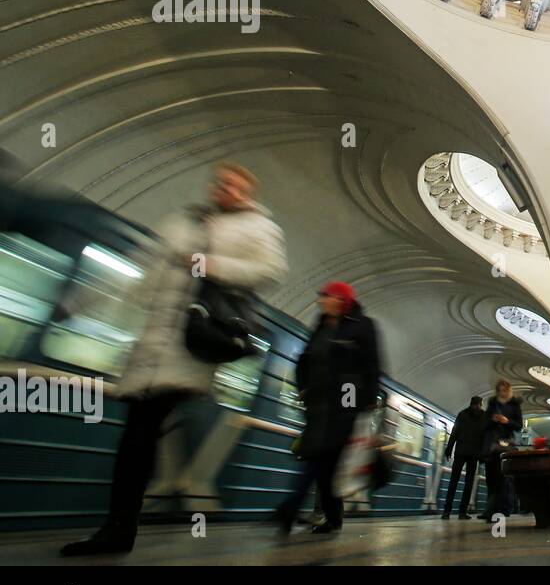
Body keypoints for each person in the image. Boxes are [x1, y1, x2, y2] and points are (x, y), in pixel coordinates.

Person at [61, 163, 287, 556]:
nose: (225, 188)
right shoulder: (185, 221)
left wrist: (211, 265)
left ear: (248, 194)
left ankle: (119, 529)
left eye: (236, 185)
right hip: (153, 345)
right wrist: (81, 303)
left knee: (138, 435)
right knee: (139, 436)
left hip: (190, 348)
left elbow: (270, 269)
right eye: (221, 182)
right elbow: (145, 269)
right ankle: (124, 525)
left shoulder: (259, 228)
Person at [274, 281, 381, 535]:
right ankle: (332, 518)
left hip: (346, 402)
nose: (321, 301)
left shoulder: (363, 326)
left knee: (318, 458)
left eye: (326, 297)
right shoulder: (322, 324)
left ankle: (288, 510)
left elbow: (372, 366)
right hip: (318, 405)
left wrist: (363, 403)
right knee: (324, 465)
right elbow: (305, 359)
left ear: (341, 300)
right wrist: (302, 387)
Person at [481, 379, 522, 520]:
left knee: (502, 479)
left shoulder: (515, 405)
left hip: (506, 445)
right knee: (491, 478)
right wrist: (492, 419)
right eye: (500, 390)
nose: (502, 393)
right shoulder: (492, 404)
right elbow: (484, 425)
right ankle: (491, 509)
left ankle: (498, 509)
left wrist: (507, 421)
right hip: (492, 445)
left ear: (509, 390)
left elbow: (519, 426)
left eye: (505, 390)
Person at [442, 395, 487, 519]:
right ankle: (462, 512)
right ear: (480, 404)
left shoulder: (462, 414)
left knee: (453, 481)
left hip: (461, 452)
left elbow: (455, 432)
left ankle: (446, 511)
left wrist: (449, 448)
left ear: (471, 403)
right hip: (474, 454)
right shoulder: (484, 416)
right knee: (469, 483)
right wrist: (483, 456)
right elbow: (484, 437)